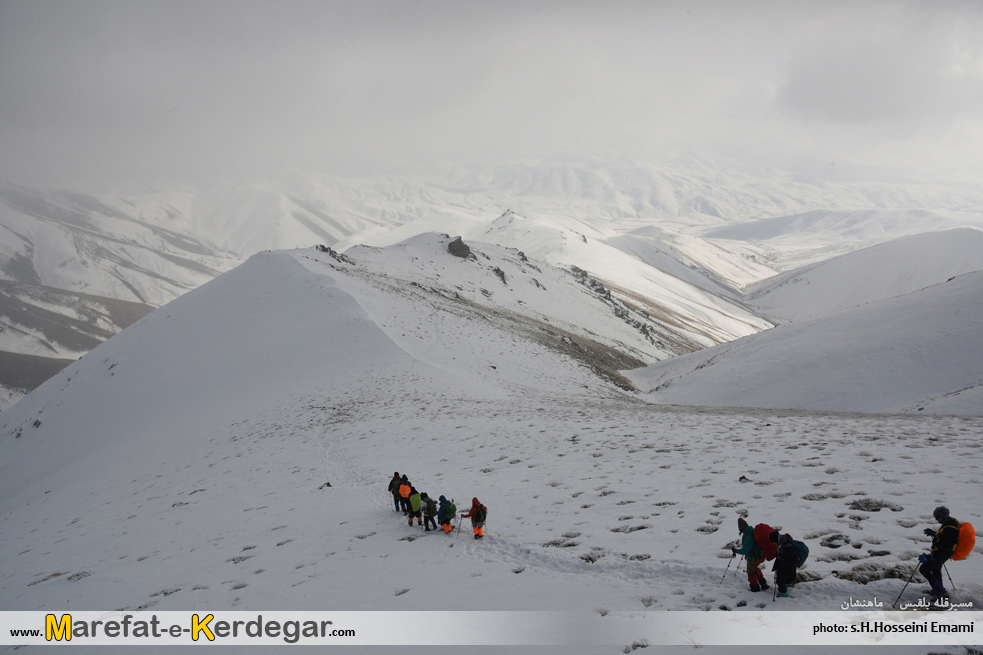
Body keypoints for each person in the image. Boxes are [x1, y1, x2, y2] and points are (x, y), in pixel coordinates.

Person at [920, 506, 960, 598]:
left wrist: (929, 557)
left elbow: (945, 546)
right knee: (935, 569)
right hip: (943, 553)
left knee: (924, 569)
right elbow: (945, 539)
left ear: (943, 516)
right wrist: (935, 534)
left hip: (942, 553)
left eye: (937, 517)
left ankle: (940, 592)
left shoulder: (949, 527)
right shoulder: (950, 522)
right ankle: (938, 590)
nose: (936, 519)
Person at [732, 517, 769, 592]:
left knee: (750, 572)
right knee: (755, 569)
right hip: (760, 556)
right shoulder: (753, 531)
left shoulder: (748, 536)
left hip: (753, 558)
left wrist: (736, 551)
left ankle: (755, 587)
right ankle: (763, 584)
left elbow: (745, 550)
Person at [771, 531, 797, 597]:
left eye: (774, 542)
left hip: (787, 569)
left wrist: (780, 559)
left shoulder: (787, 547)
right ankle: (786, 586)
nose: (774, 543)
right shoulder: (785, 540)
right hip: (789, 568)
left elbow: (790, 560)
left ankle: (783, 595)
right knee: (783, 579)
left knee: (780, 581)